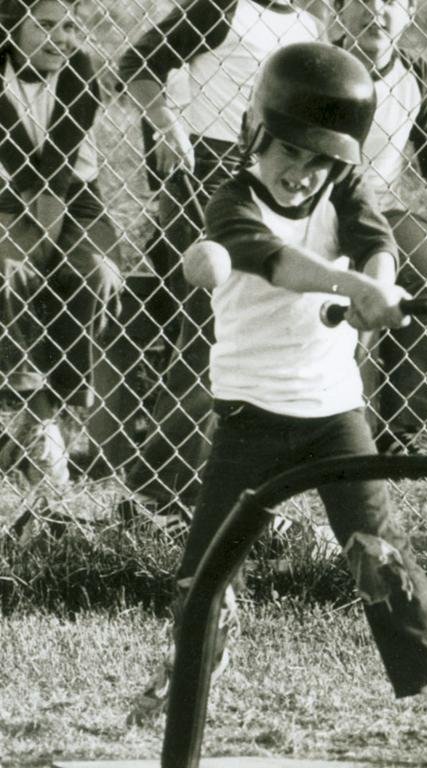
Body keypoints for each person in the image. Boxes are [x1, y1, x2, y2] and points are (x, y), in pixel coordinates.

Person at [132, 43, 427, 768]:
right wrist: (348, 286)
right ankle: (196, 665)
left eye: (319, 162)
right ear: (253, 136)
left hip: (332, 416)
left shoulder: (346, 194)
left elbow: (376, 242)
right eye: (287, 154)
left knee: (381, 560)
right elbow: (278, 262)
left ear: (343, 163)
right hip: (248, 419)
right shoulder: (230, 200)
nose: (300, 174)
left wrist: (381, 284)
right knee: (200, 581)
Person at [115, 0, 323, 522]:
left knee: (251, 326)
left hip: (269, 174)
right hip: (206, 172)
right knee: (208, 328)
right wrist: (166, 124)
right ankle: (157, 489)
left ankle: (223, 478)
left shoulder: (309, 22)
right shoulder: (223, 8)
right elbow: (138, 63)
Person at [0, 0, 121, 495]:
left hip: (75, 201)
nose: (60, 38)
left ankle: (64, 410)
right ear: (12, 27)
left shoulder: (80, 70)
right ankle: (37, 415)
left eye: (70, 26)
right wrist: (23, 249)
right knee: (10, 273)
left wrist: (41, 247)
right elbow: (20, 169)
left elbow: (54, 173)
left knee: (95, 273)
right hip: (9, 201)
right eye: (45, 25)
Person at [334, 0, 427, 454]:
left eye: (391, 0)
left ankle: (402, 432)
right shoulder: (320, 65)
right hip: (322, 209)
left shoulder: (415, 73)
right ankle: (334, 424)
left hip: (382, 211)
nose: (376, 10)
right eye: (362, 0)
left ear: (409, 11)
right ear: (338, 9)